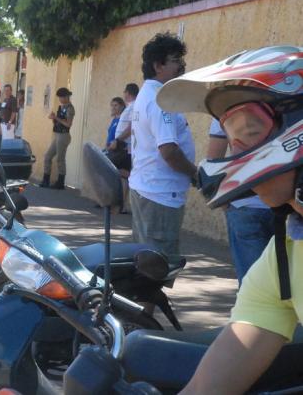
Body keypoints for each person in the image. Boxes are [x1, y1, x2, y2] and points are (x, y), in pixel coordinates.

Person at [155, 45, 303, 394]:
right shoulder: (286, 251)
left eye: (249, 131)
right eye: (230, 132)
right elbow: (211, 384)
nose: (235, 150)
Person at [128, 33, 195, 258]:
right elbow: (169, 151)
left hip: (149, 190)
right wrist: (197, 175)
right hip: (160, 194)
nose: (182, 66)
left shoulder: (147, 95)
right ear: (159, 66)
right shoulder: (159, 100)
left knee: (146, 260)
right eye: (176, 60)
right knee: (158, 265)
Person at [207, 118, 275, 285]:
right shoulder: (288, 99)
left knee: (252, 285)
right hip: (283, 205)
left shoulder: (225, 106)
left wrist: (224, 202)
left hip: (244, 203)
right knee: (287, 286)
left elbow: (213, 161)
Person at [39, 87, 75, 189]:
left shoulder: (70, 108)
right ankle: (46, 180)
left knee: (60, 159)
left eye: (61, 97)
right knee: (48, 156)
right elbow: (58, 123)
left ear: (66, 97)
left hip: (64, 136)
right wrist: (53, 119)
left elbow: (68, 124)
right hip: (58, 134)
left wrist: (56, 118)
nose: (60, 99)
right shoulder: (62, 107)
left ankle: (60, 182)